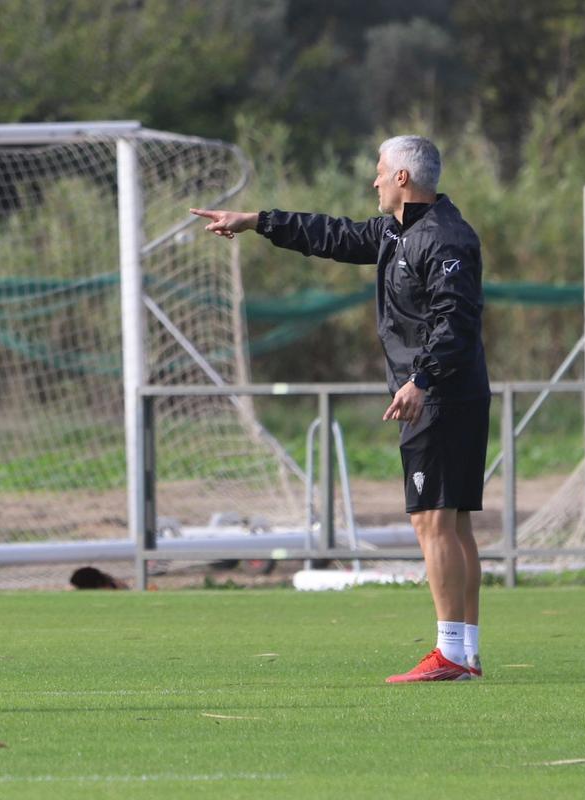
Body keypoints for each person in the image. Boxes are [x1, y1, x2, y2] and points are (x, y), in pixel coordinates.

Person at [191, 135, 488, 683]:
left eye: (379, 171)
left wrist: (421, 379)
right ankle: (465, 653)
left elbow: (457, 320)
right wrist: (255, 220)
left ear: (402, 178)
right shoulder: (397, 232)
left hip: (441, 394)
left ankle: (449, 654)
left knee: (433, 522)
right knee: (453, 522)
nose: (373, 181)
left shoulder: (444, 238)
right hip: (444, 392)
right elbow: (330, 234)